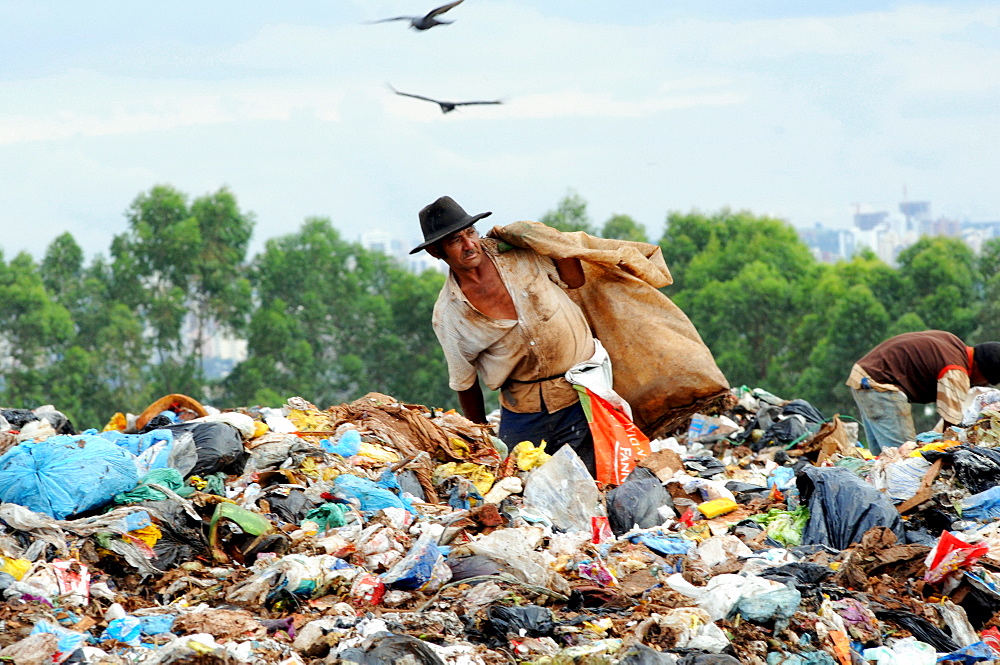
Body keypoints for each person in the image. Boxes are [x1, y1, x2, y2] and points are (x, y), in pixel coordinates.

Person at [410, 195, 598, 475]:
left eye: (470, 233)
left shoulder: (519, 254)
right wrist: (481, 436)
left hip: (582, 394)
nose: (469, 244)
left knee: (598, 483)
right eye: (455, 241)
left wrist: (553, 240)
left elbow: (574, 280)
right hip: (526, 411)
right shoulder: (450, 314)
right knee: (520, 491)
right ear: (437, 253)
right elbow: (465, 383)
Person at [846, 330, 1000, 454]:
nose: (984, 384)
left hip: (864, 376)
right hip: (882, 387)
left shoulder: (952, 342)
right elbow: (951, 424)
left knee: (883, 455)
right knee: (903, 457)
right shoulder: (955, 370)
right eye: (987, 380)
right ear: (982, 370)